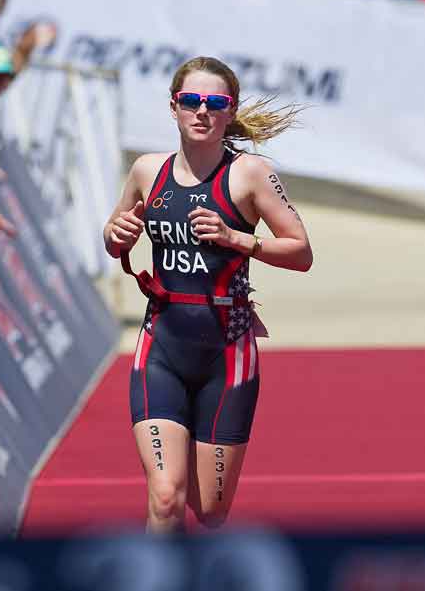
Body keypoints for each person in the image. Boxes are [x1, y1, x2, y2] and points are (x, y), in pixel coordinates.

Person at [103, 56, 312, 533]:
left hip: (227, 353)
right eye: (191, 102)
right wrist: (118, 234)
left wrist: (238, 238)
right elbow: (116, 237)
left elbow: (301, 252)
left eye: (214, 103)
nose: (202, 112)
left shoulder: (250, 175)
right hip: (162, 347)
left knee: (210, 510)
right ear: (174, 108)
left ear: (229, 111)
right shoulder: (146, 170)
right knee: (164, 496)